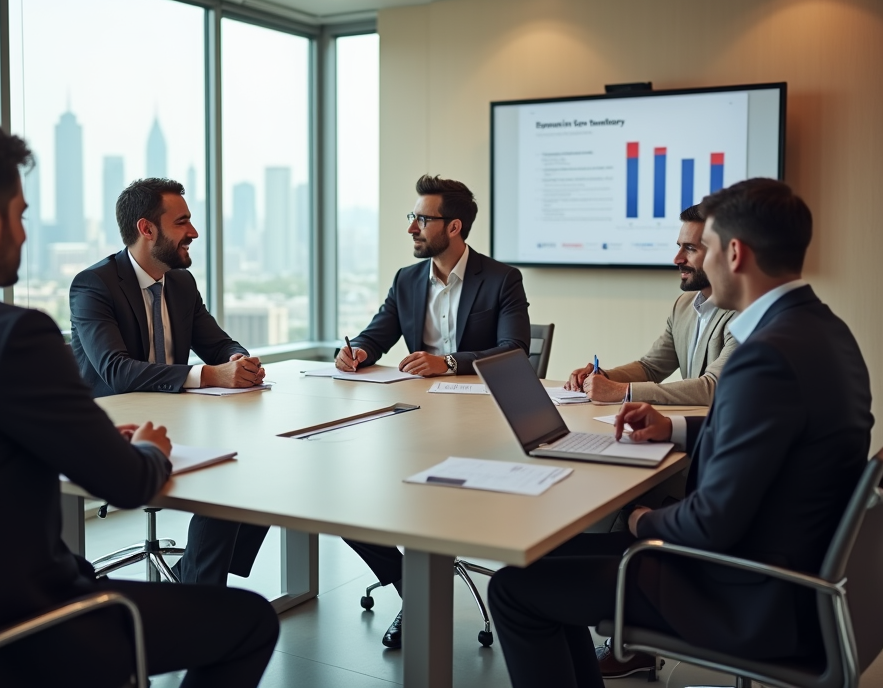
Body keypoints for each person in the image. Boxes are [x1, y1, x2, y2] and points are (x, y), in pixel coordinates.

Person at [0, 121, 278, 688]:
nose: (25, 234)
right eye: (22, 215)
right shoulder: (14, 335)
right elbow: (129, 485)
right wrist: (147, 450)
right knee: (250, 621)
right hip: (25, 626)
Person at [488, 178, 872, 688]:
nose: (696, 261)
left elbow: (708, 524)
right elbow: (774, 431)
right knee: (552, 556)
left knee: (515, 590)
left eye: (704, 247)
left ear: (734, 253)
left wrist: (638, 518)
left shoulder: (765, 355)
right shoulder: (824, 330)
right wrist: (677, 427)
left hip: (743, 592)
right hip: (795, 573)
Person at [337, 174, 531, 648]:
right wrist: (357, 352)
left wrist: (447, 362)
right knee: (346, 500)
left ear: (455, 226)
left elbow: (515, 350)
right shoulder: (407, 280)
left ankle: (423, 591)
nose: (412, 228)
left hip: (481, 425)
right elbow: (376, 334)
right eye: (413, 217)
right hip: (412, 420)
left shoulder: (501, 278)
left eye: (423, 219)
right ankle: (413, 589)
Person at [70, 177, 269, 586]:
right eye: (183, 223)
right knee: (231, 483)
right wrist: (212, 375)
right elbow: (116, 370)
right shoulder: (94, 285)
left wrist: (236, 359)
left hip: (176, 418)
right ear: (147, 229)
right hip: (117, 428)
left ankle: (196, 581)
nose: (193, 233)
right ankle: (199, 594)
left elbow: (216, 342)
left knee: (257, 468)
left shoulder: (181, 283)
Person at [565, 205, 737, 405]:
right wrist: (602, 378)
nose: (677, 259)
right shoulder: (684, 305)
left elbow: (714, 387)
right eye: (679, 246)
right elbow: (650, 368)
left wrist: (623, 391)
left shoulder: (746, 313)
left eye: (690, 248)